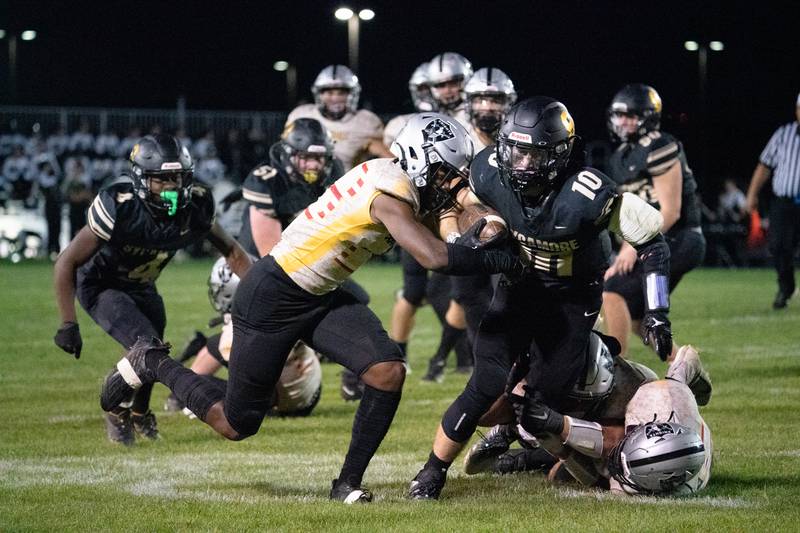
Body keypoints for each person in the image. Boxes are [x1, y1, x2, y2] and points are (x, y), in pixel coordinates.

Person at [99, 113, 525, 503]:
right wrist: (502, 256)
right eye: (447, 174)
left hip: (320, 292)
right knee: (236, 423)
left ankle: (347, 483)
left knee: (387, 370)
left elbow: (455, 223)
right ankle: (154, 362)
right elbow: (435, 257)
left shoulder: (403, 179)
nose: (451, 183)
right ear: (420, 161)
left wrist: (482, 217)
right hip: (275, 293)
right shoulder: (388, 193)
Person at [408, 96, 674, 500]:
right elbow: (455, 205)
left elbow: (653, 244)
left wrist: (657, 312)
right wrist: (472, 227)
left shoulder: (586, 192)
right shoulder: (489, 171)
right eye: (514, 151)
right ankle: (431, 472)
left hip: (572, 297)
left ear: (559, 155)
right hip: (520, 285)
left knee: (545, 401)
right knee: (484, 385)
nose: (521, 164)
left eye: (533, 155)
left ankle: (529, 443)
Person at [53, 134, 251, 445]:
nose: (172, 186)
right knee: (147, 347)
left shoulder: (195, 205)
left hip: (142, 285)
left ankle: (140, 412)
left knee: (154, 347)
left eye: (178, 177)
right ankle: (116, 409)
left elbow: (235, 253)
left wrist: (261, 296)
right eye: (161, 179)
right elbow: (67, 261)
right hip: (102, 284)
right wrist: (68, 322)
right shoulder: (120, 206)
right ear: (141, 179)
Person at [602, 84, 706, 362]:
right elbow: (631, 213)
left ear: (648, 116)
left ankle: (617, 372)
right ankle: (685, 365)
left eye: (630, 115)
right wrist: (625, 247)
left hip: (680, 237)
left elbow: (670, 211)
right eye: (619, 115)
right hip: (654, 241)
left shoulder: (661, 144)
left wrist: (630, 249)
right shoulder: (621, 155)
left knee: (612, 294)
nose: (623, 122)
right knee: (638, 318)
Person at [745, 92, 800, 309]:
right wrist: (752, 194)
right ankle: (786, 287)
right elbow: (764, 165)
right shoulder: (783, 135)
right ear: (796, 111)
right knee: (778, 245)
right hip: (784, 202)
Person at [287, 65, 393, 170]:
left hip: (347, 184)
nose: (335, 98)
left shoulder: (366, 122)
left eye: (341, 93)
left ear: (352, 95)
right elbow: (284, 151)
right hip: (304, 182)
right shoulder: (302, 115)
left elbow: (385, 158)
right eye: (329, 92)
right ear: (319, 94)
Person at [461, 67, 517, 151]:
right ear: (469, 103)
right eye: (480, 100)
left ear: (508, 104)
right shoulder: (460, 138)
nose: (487, 108)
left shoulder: (516, 139)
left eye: (496, 101)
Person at [426, 52, 473, 124]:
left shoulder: (476, 114)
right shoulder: (432, 116)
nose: (447, 90)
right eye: (440, 85)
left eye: (453, 83)